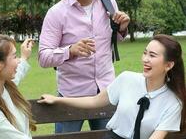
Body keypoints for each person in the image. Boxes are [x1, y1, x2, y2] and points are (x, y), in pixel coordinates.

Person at [38, 0, 130, 133]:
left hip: (106, 92)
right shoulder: (57, 13)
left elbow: (114, 38)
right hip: (72, 97)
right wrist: (70, 50)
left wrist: (122, 28)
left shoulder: (108, 1)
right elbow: (43, 57)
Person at [38, 34, 186, 139]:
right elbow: (94, 101)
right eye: (145, 53)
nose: (145, 59)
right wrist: (58, 100)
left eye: (152, 56)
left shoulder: (173, 102)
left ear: (169, 65)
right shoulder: (127, 79)